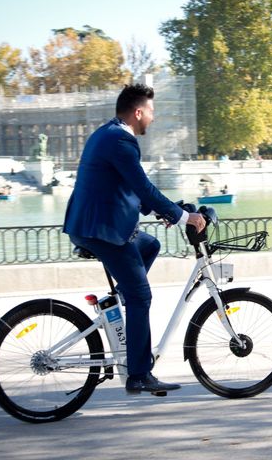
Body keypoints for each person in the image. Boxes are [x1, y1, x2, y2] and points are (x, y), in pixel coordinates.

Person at [63, 84, 206, 395]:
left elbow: (126, 188)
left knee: (150, 245)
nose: (153, 119)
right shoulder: (121, 140)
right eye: (151, 113)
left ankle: (123, 300)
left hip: (96, 223)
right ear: (138, 112)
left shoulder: (109, 133)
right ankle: (139, 375)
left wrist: (167, 211)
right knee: (142, 298)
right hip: (102, 230)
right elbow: (142, 187)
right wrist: (183, 218)